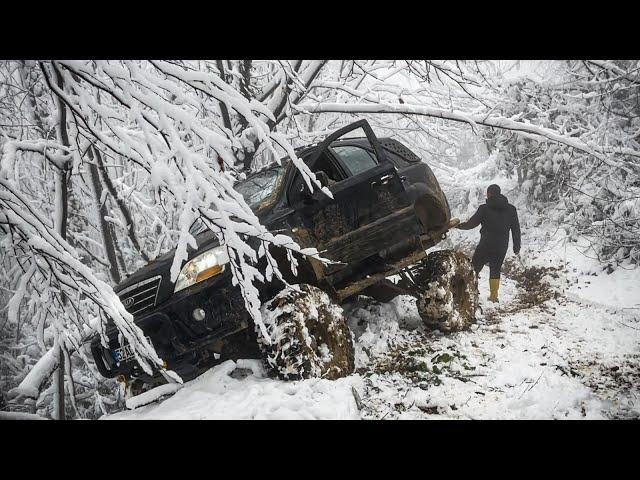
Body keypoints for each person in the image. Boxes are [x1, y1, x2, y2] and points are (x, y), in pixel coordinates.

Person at [456, 184, 521, 302]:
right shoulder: (511, 209)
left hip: (486, 244)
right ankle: (494, 296)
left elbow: (472, 224)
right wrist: (517, 246)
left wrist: (458, 226)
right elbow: (516, 229)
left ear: (489, 193)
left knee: (474, 267)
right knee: (495, 269)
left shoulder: (484, 208)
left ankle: (469, 293)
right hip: (502, 245)